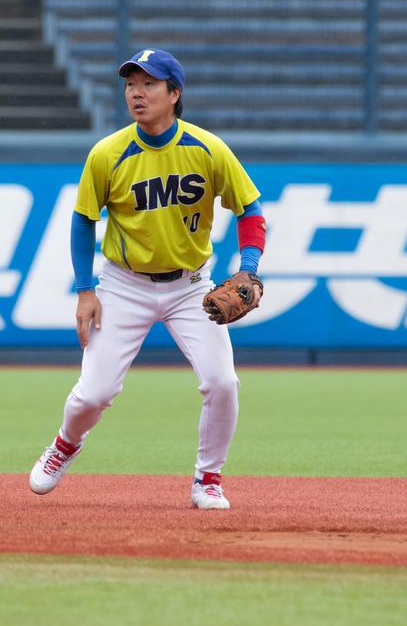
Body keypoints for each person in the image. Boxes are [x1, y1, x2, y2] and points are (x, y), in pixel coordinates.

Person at [30, 48, 266, 510]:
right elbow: (83, 220)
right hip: (124, 285)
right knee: (94, 394)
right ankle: (64, 445)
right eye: (130, 84)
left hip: (191, 285)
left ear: (174, 94)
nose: (136, 93)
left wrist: (250, 267)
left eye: (149, 84)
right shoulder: (108, 153)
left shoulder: (207, 149)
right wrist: (85, 290)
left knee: (222, 383)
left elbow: (250, 210)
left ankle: (208, 479)